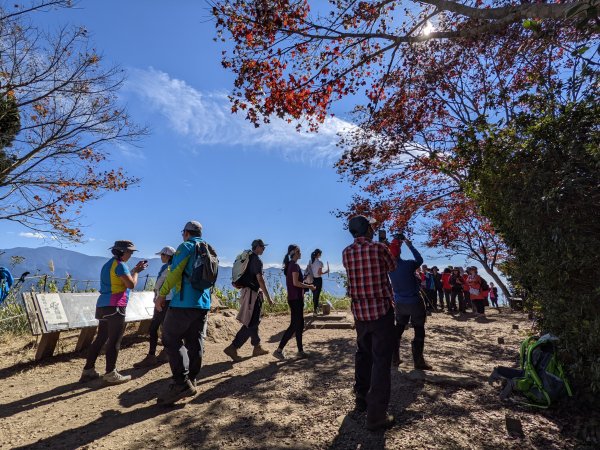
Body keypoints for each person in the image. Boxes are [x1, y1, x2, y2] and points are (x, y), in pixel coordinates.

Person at [342, 215, 397, 431]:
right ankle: (376, 415)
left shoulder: (346, 253)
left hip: (359, 312)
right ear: (367, 229)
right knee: (381, 361)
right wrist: (385, 245)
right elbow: (392, 267)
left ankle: (361, 400)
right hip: (381, 310)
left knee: (362, 355)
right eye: (372, 227)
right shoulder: (378, 248)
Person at [154, 221, 211, 405]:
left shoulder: (186, 246)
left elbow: (174, 272)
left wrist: (162, 295)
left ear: (186, 233)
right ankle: (191, 380)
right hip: (203, 303)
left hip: (183, 302)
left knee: (170, 337)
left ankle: (181, 383)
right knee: (195, 340)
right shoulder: (208, 248)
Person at [80, 240, 148, 384]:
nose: (131, 255)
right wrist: (136, 271)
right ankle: (111, 373)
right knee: (114, 340)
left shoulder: (108, 265)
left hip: (103, 305)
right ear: (122, 252)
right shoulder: (121, 265)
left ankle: (88, 370)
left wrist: (133, 270)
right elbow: (131, 284)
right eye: (130, 252)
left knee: (101, 338)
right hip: (116, 306)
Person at [224, 239, 274, 361]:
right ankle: (233, 347)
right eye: (262, 247)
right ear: (257, 247)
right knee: (251, 322)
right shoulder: (256, 260)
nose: (264, 249)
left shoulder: (248, 258)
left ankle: (257, 346)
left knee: (254, 320)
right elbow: (260, 279)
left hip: (248, 292)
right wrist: (268, 297)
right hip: (253, 294)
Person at [388, 237, 432, 371]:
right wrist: (410, 245)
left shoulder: (389, 268)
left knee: (398, 329)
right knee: (419, 330)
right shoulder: (408, 265)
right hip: (414, 302)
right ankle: (418, 361)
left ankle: (394, 358)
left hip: (400, 303)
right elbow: (420, 260)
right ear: (400, 252)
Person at [134, 246, 176, 368]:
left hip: (163, 299)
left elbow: (159, 282)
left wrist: (157, 295)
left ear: (167, 256)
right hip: (169, 300)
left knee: (154, 328)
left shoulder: (167, 267)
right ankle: (166, 352)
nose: (161, 257)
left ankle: (151, 356)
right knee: (165, 327)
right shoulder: (175, 266)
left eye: (162, 255)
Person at [273, 245, 316, 359]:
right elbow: (296, 283)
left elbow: (294, 282)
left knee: (300, 324)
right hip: (295, 299)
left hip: (294, 298)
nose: (301, 253)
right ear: (295, 253)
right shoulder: (295, 265)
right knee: (294, 325)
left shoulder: (290, 265)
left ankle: (300, 350)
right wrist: (309, 286)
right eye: (299, 251)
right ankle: (278, 350)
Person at [307, 248, 329, 314]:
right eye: (320, 254)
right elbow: (319, 273)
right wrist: (326, 271)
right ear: (318, 254)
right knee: (317, 295)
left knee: (314, 294)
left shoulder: (310, 261)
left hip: (312, 279)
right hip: (318, 280)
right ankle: (315, 310)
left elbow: (309, 269)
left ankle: (315, 309)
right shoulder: (320, 263)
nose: (321, 255)